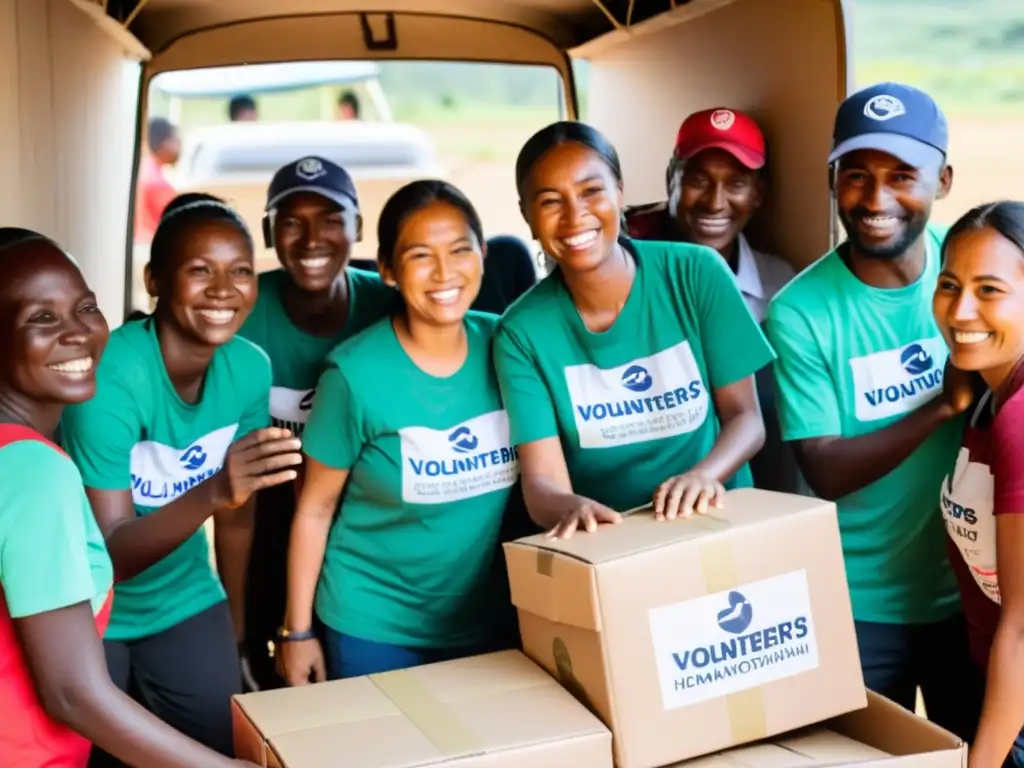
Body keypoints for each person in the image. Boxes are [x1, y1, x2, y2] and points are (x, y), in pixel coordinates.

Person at [764, 82, 983, 742]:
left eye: (901, 176)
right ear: (833, 181)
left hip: (971, 593)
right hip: (858, 603)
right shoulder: (801, 312)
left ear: (942, 180)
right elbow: (824, 468)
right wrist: (943, 404)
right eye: (856, 176)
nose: (876, 199)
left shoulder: (970, 268)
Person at [0, 227, 258, 768]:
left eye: (86, 308)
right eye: (41, 317)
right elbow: (74, 693)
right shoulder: (31, 470)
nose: (77, 333)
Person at [60, 195, 303, 764]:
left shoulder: (249, 367)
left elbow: (239, 515)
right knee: (102, 755)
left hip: (185, 593)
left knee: (221, 740)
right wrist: (214, 489)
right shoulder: (113, 377)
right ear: (155, 280)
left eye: (240, 270)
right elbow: (114, 550)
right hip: (91, 602)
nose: (224, 289)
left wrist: (237, 631)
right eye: (200, 270)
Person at [278, 180, 520, 682]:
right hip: (372, 624)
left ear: (482, 255)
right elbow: (314, 509)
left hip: (485, 618)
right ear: (387, 269)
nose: (444, 272)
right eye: (419, 256)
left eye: (459, 250)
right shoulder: (353, 376)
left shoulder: (510, 347)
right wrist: (295, 633)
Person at [492, 120, 774, 540]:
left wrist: (702, 477)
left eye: (591, 192)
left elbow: (747, 419)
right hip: (615, 544)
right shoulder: (520, 333)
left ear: (619, 194)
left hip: (721, 523)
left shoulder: (696, 273)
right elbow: (542, 485)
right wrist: (570, 507)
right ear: (527, 217)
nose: (575, 216)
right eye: (551, 201)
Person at [236, 155, 401, 690]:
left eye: (331, 219)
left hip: (363, 510)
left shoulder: (388, 305)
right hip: (266, 510)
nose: (312, 239)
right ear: (268, 232)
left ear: (357, 227)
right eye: (291, 221)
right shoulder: (242, 309)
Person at [625, 106, 800, 493]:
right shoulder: (625, 272)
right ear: (670, 178)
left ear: (758, 193)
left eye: (736, 183)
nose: (715, 201)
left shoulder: (778, 286)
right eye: (698, 180)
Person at [933, 201, 1024, 768]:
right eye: (949, 284)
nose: (961, 309)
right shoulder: (990, 392)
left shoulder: (1019, 421)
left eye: (989, 290)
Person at [134, 116, 180, 244]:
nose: (179, 145)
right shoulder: (158, 184)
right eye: (176, 140)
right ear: (164, 143)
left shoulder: (143, 171)